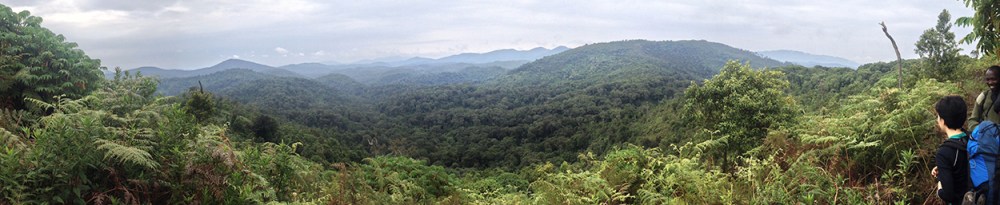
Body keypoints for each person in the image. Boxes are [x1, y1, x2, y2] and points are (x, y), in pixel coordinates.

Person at [932, 95, 970, 204]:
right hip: (978, 195)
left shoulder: (944, 152)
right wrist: (943, 167)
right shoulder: (971, 138)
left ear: (943, 121)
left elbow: (948, 195)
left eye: (938, 116)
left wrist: (939, 186)